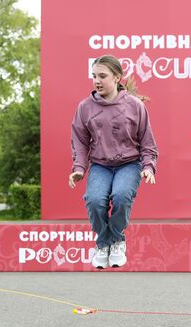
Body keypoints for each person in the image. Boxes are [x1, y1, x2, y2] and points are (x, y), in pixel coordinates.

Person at [69, 55, 158, 269]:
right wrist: (79, 168)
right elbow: (80, 141)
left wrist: (148, 167)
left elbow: (147, 142)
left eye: (102, 76)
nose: (97, 81)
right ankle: (103, 243)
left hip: (129, 163)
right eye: (94, 76)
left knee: (121, 196)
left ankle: (116, 241)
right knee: (94, 200)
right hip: (100, 165)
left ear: (117, 77)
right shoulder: (85, 108)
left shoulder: (135, 106)